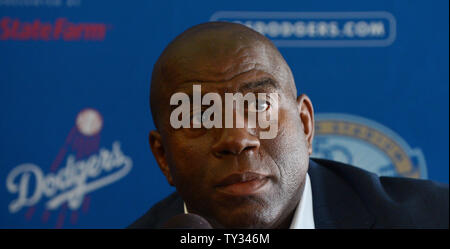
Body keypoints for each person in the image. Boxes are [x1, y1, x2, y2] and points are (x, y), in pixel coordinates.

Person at [129, 22, 449, 229]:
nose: (238, 138)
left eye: (259, 105)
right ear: (162, 156)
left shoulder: (433, 219)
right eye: (200, 116)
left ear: (306, 126)